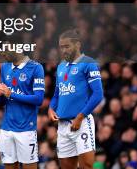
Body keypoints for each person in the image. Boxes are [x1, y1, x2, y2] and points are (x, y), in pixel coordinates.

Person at [48, 29, 104, 169]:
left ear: (77, 45)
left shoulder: (88, 63)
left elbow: (97, 94)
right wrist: (50, 109)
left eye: (67, 46)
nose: (63, 50)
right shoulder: (61, 66)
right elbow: (56, 94)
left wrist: (80, 116)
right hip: (63, 125)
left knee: (87, 166)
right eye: (61, 47)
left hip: (81, 123)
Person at [0, 50, 45, 169]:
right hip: (7, 128)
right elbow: (4, 100)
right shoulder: (5, 66)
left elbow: (39, 99)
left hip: (26, 128)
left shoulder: (36, 67)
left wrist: (11, 94)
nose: (3, 53)